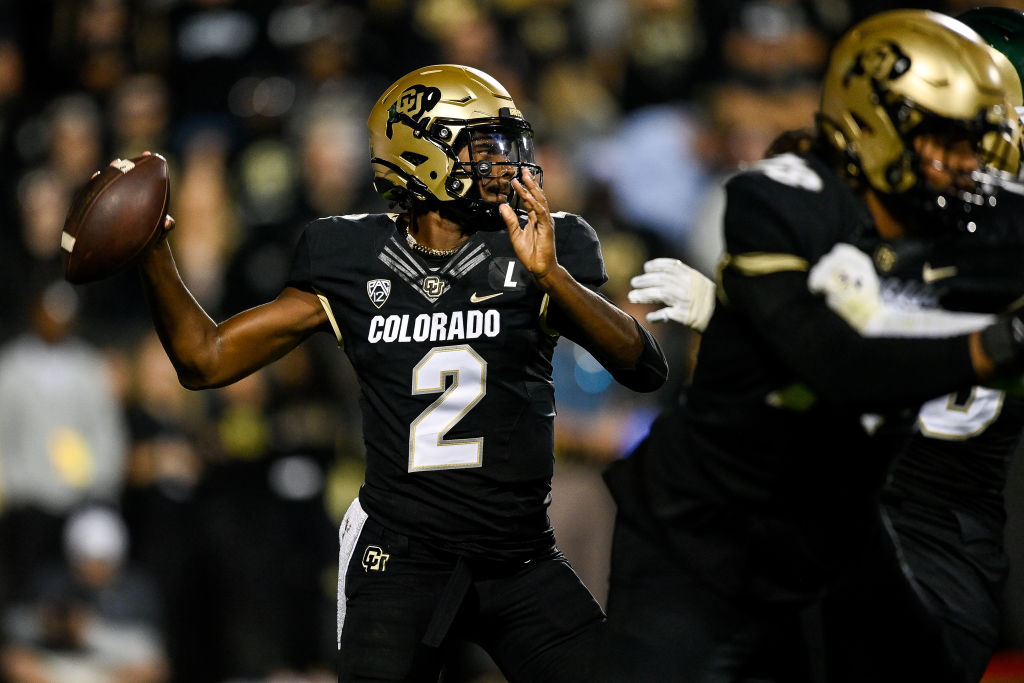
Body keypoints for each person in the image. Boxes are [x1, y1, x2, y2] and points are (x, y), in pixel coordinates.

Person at [123, 64, 667, 682]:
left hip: (517, 555)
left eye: (506, 144)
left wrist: (552, 278)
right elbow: (205, 360)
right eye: (482, 145)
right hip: (401, 559)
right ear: (422, 152)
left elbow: (642, 365)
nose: (505, 163)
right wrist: (154, 257)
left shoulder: (541, 244)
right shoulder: (348, 256)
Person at [598, 9, 1024, 682]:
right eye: (952, 137)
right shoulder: (801, 194)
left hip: (923, 521)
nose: (972, 163)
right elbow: (835, 348)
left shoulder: (988, 224)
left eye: (982, 139)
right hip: (771, 511)